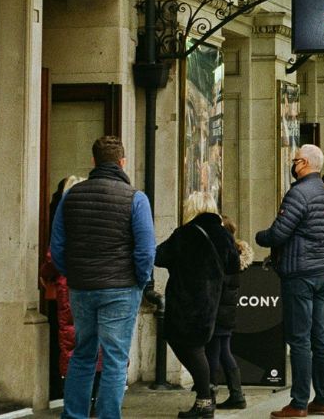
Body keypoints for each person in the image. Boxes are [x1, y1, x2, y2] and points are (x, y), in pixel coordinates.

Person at [49, 136, 155, 419]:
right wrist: (140, 281)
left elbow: (57, 245)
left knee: (82, 354)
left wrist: (72, 274)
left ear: (93, 161)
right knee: (114, 359)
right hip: (121, 287)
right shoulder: (135, 198)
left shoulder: (71, 196)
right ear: (122, 162)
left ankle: (74, 416)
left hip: (82, 287)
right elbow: (146, 250)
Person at [255, 144, 324, 418]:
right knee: (319, 337)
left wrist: (260, 236)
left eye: (295, 160)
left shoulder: (298, 193)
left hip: (298, 273)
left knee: (299, 339)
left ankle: (299, 402)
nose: (293, 164)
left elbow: (279, 233)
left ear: (303, 163)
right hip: (320, 271)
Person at [155, 191, 239, 417]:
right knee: (197, 348)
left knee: (188, 347)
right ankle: (206, 395)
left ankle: (204, 401)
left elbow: (159, 256)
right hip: (211, 302)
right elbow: (233, 265)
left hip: (184, 302)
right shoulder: (223, 234)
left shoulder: (184, 233)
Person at [39, 176, 102, 411]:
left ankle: (76, 401)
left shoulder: (66, 218)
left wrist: (48, 275)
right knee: (96, 344)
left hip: (70, 286)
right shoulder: (95, 219)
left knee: (73, 343)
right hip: (98, 284)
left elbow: (54, 254)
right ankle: (94, 398)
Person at [212, 216, 252, 410]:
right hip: (226, 311)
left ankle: (211, 395)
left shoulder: (224, 255)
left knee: (217, 351)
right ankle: (236, 394)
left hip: (218, 310)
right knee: (223, 350)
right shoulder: (235, 255)